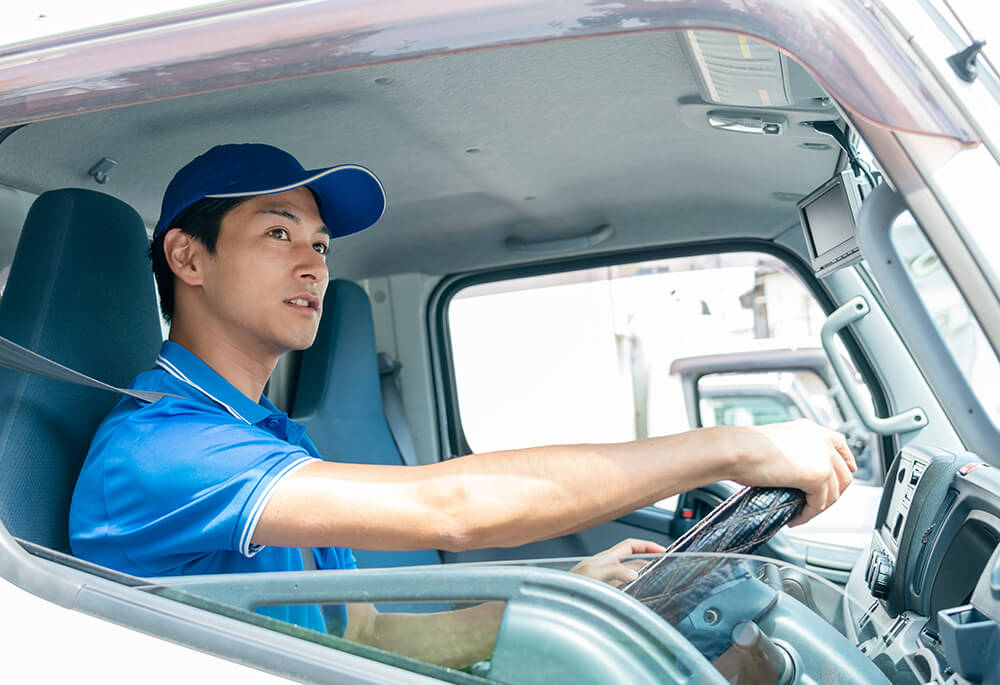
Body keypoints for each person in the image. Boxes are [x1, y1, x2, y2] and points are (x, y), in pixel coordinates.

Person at [69, 143, 855, 668]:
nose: (313, 262)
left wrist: (574, 594)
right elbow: (452, 506)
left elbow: (368, 631)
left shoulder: (263, 435)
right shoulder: (159, 448)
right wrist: (729, 446)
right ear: (187, 256)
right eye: (280, 232)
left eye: (321, 244)